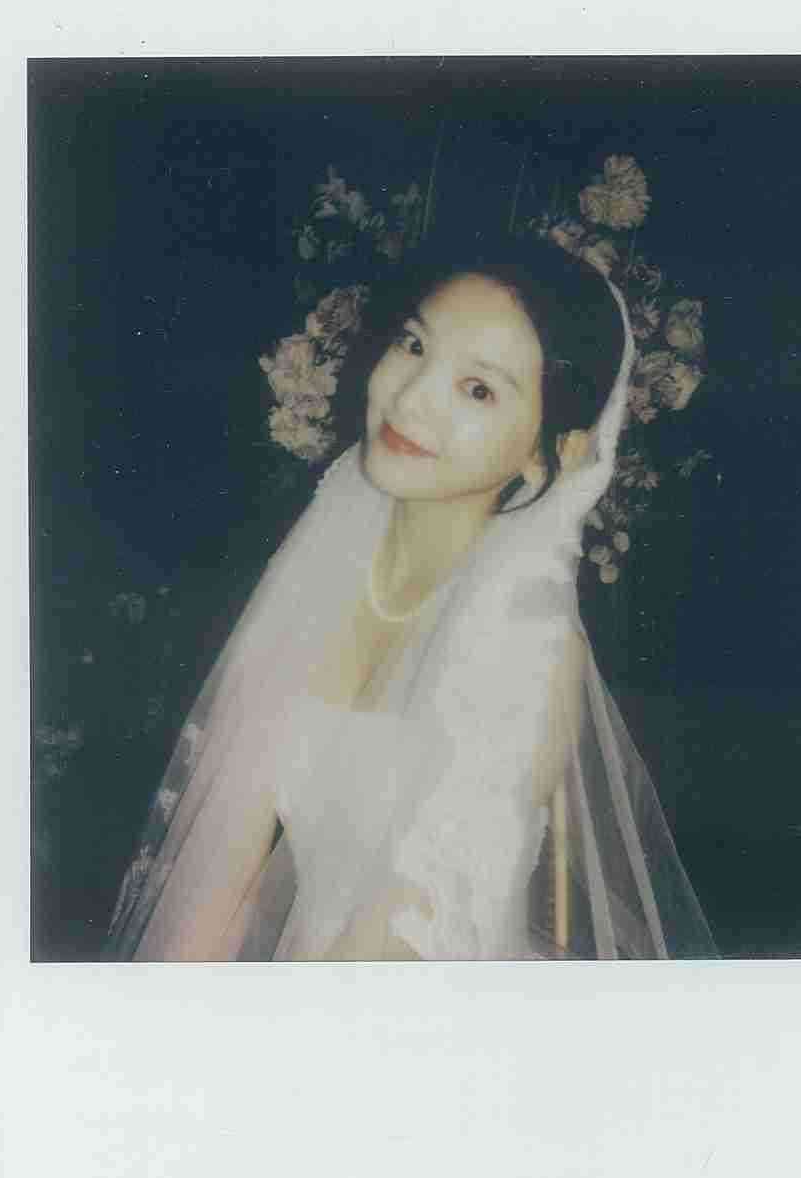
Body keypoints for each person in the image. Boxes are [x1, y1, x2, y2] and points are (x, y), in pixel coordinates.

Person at [105, 237, 715, 961]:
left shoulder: (527, 651)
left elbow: (397, 952)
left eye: (478, 389)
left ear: (554, 452)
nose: (412, 397)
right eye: (414, 344)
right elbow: (225, 839)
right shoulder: (335, 544)